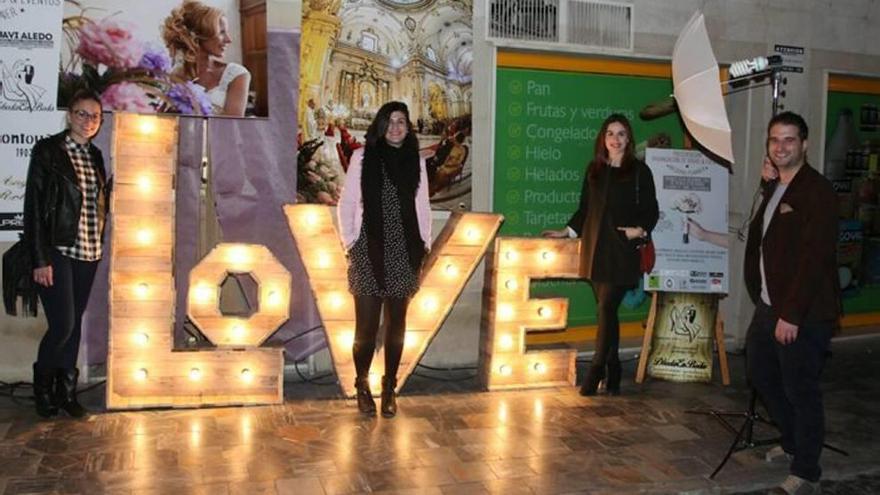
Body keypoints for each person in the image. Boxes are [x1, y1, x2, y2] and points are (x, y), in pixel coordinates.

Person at [744, 112, 840, 494]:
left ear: (804, 144)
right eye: (774, 140)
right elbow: (763, 241)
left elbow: (813, 259)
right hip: (769, 306)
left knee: (801, 390)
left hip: (801, 313)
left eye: (788, 140)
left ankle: (806, 469)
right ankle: (792, 441)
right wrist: (765, 187)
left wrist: (791, 314)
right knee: (762, 375)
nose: (780, 147)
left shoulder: (817, 191)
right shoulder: (776, 186)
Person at [543, 114, 658, 396]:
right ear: (603, 139)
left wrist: (638, 230)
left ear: (628, 139)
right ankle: (614, 368)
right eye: (610, 134)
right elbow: (585, 209)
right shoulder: (594, 170)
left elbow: (651, 209)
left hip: (622, 250)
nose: (615, 139)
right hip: (595, 249)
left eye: (621, 134)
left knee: (606, 307)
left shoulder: (640, 171)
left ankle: (595, 370)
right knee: (607, 312)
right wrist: (566, 232)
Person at [337, 101, 431, 417]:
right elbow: (347, 202)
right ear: (380, 125)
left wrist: (424, 245)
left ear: (408, 127)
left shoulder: (415, 162)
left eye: (401, 121)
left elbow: (423, 208)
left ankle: (389, 387)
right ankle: (362, 385)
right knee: (364, 329)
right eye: (389, 121)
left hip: (404, 250)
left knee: (397, 326)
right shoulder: (363, 158)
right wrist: (350, 241)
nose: (395, 127)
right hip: (367, 248)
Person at [22, 89, 109, 418]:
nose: (89, 121)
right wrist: (40, 259)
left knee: (74, 328)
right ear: (70, 115)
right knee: (63, 324)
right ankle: (42, 388)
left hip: (89, 249)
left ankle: (66, 392)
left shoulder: (95, 155)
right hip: (58, 249)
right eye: (82, 114)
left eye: (95, 116)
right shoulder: (48, 151)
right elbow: (33, 207)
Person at [162, 0, 251, 116]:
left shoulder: (237, 75)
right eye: (222, 32)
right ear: (199, 35)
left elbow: (232, 128)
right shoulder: (174, 76)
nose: (229, 40)